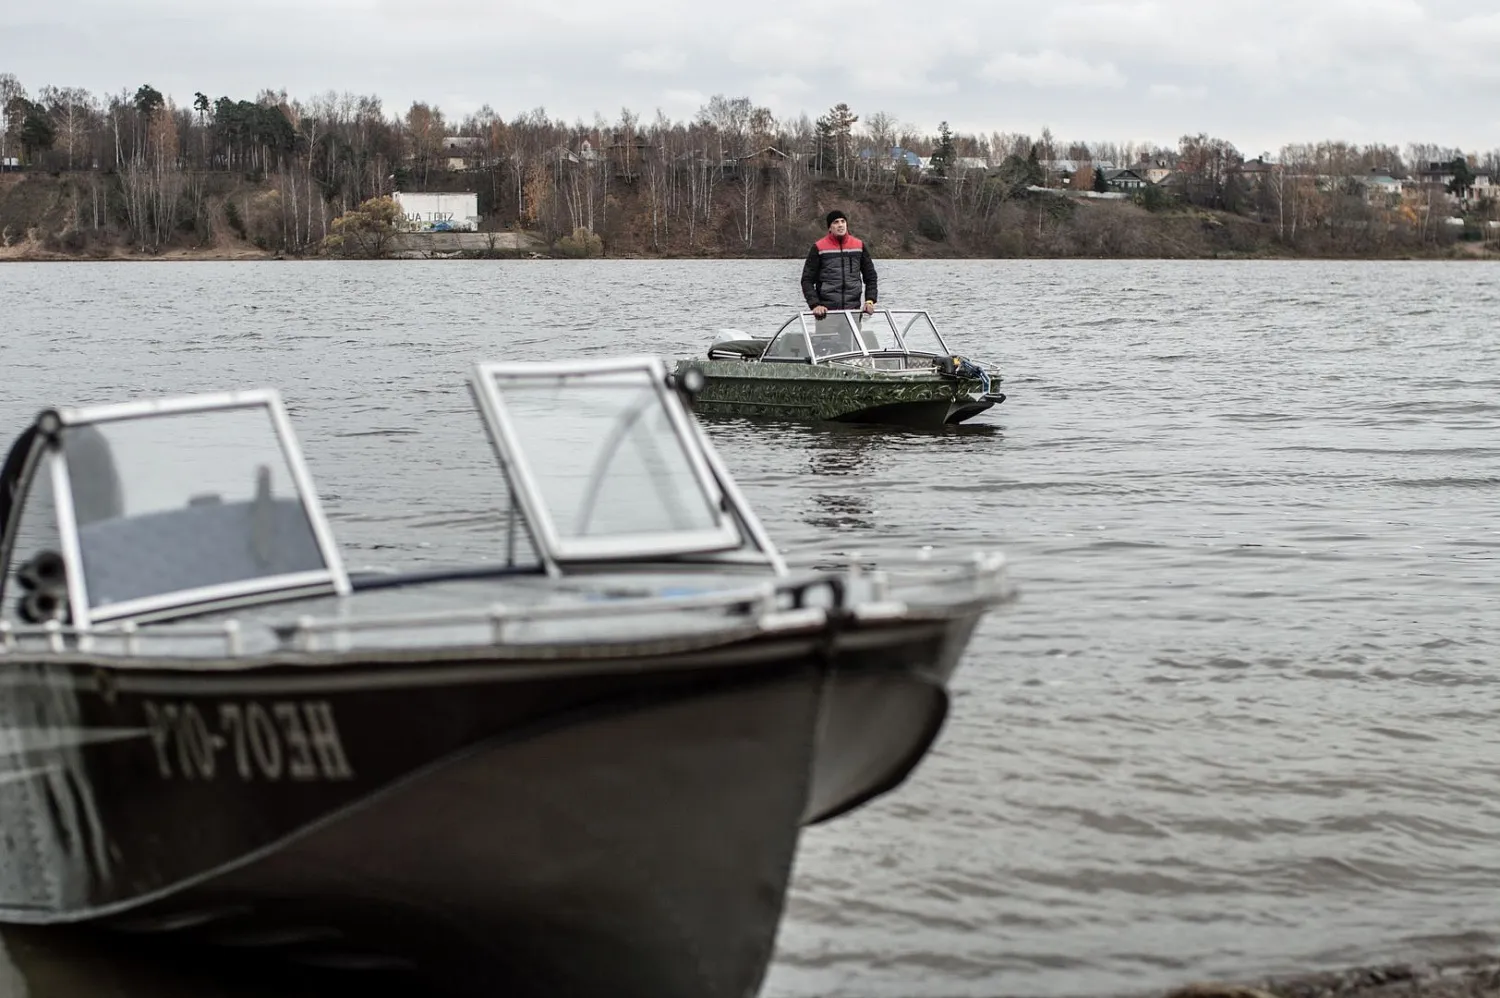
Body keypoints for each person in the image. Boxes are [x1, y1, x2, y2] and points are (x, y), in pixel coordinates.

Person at [800, 210, 878, 319]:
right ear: (830, 227)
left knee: (854, 336)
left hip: (853, 311)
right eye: (836, 222)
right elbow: (806, 280)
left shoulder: (859, 246)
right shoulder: (818, 247)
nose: (840, 225)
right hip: (826, 313)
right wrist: (815, 305)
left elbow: (871, 277)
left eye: (843, 221)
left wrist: (870, 300)